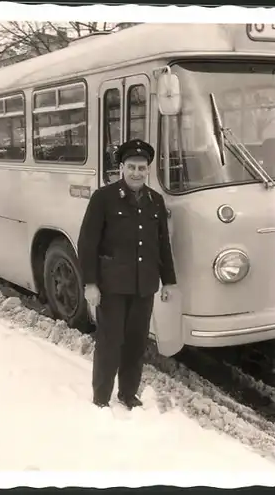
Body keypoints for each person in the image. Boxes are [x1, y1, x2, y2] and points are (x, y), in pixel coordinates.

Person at [77, 139, 177, 410]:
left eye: (142, 168)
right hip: (112, 286)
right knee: (110, 344)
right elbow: (87, 243)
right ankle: (101, 397)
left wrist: (168, 280)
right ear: (121, 168)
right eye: (131, 167)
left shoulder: (155, 200)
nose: (136, 172)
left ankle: (128, 393)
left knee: (136, 344)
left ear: (148, 171)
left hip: (144, 286)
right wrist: (90, 284)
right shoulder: (104, 198)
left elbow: (162, 244)